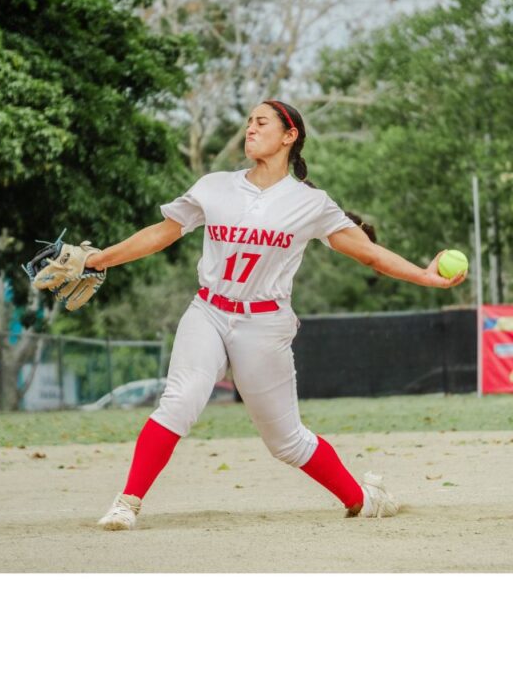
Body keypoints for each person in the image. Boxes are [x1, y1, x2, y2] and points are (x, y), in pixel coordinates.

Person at [84, 99, 464, 531]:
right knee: (180, 400)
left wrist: (426, 277)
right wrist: (101, 259)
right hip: (208, 309)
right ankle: (126, 502)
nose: (250, 129)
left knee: (285, 441)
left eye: (261, 122)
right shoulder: (215, 186)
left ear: (289, 136)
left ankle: (362, 498)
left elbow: (371, 255)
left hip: (264, 324)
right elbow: (162, 233)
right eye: (248, 122)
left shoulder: (311, 203)